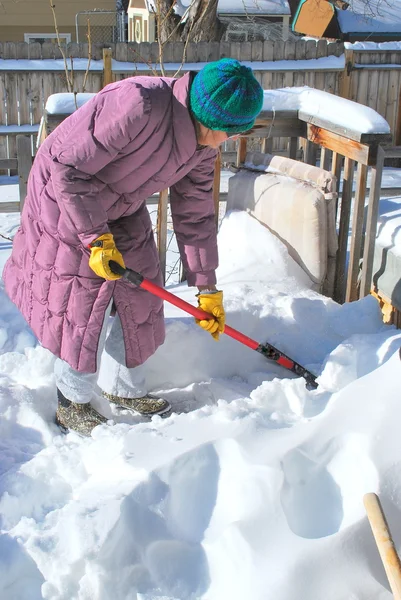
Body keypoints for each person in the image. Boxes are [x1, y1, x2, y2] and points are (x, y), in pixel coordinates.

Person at [3, 58, 264, 436]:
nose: (230, 140)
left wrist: (207, 286)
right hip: (65, 198)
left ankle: (124, 389)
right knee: (83, 298)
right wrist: (96, 239)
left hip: (119, 203)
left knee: (142, 290)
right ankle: (71, 402)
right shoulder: (138, 104)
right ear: (207, 117)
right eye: (229, 131)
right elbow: (67, 170)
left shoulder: (202, 148)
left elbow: (194, 214)